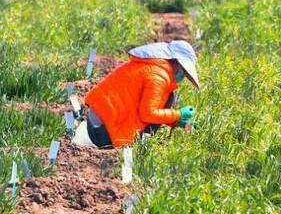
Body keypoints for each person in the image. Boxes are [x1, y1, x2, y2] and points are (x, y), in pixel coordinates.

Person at [72, 40, 200, 149]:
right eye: (184, 72)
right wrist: (179, 114)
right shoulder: (158, 77)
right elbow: (148, 114)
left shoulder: (149, 67)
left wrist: (177, 122)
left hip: (97, 121)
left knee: (168, 98)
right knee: (168, 99)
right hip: (101, 132)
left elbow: (142, 107)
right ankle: (139, 147)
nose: (183, 76)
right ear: (176, 63)